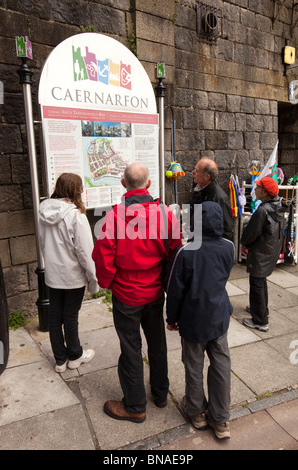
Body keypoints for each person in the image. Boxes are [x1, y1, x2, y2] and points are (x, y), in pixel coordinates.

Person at [92, 162, 182, 423]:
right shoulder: (165, 214)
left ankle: (135, 405)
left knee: (130, 348)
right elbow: (175, 252)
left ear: (123, 184)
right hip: (153, 292)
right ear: (150, 185)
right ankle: (160, 393)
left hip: (126, 294)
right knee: (157, 343)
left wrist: (109, 282)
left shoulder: (113, 217)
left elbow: (102, 258)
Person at [166, 201, 234, 440]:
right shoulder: (229, 247)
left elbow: (175, 290)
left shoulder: (185, 252)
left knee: (193, 366)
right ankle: (221, 418)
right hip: (218, 317)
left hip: (194, 320)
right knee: (221, 365)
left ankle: (196, 412)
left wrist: (171, 318)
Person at [39, 173, 99, 373]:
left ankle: (60, 360)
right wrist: (93, 280)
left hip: (53, 274)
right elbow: (85, 253)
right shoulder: (76, 216)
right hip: (72, 276)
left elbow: (42, 242)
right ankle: (75, 355)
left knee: (55, 317)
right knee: (70, 317)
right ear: (76, 190)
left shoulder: (43, 211)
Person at [241, 176, 286, 332]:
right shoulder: (278, 206)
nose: (255, 190)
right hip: (270, 251)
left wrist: (244, 242)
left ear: (265, 193)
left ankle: (260, 320)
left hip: (261, 253)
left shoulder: (263, 211)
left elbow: (250, 234)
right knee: (260, 282)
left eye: (258, 188)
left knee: (257, 284)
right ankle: (259, 309)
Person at [190, 157, 234, 241]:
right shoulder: (198, 188)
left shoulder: (220, 198)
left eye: (196, 171)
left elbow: (227, 229)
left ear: (207, 177)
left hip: (209, 245)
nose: (192, 172)